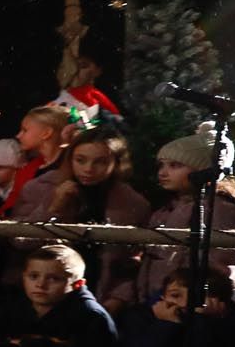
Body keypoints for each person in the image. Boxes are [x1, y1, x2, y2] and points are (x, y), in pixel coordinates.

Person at [8, 124, 150, 307]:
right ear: (70, 159)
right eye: (80, 160)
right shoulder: (41, 187)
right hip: (38, 294)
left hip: (98, 295)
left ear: (116, 163)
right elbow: (20, 242)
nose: (88, 169)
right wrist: (54, 208)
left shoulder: (132, 203)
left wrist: (117, 299)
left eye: (100, 162)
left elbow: (132, 263)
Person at [137, 123, 235, 305]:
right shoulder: (167, 208)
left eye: (175, 165)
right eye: (161, 165)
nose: (162, 173)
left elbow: (219, 266)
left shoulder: (220, 208)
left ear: (203, 169)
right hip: (163, 299)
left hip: (199, 304)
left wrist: (203, 299)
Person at [1, 105, 73, 215]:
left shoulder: (71, 166)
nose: (18, 135)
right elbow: (10, 208)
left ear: (46, 133)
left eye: (25, 130)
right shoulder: (27, 170)